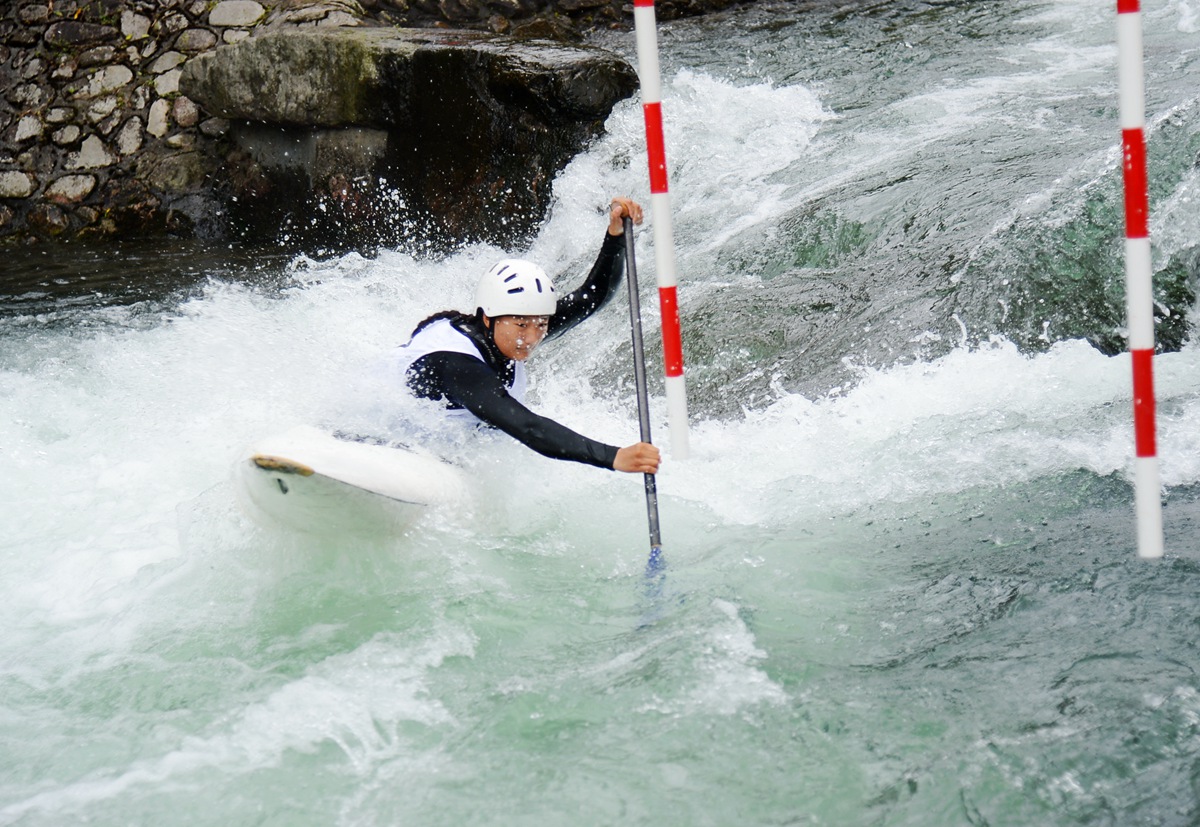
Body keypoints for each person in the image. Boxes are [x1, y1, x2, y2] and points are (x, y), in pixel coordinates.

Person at [391, 197, 661, 475]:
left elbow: (593, 297)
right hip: (389, 436)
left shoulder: (514, 327)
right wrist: (613, 456)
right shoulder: (457, 365)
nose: (532, 337)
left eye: (541, 324)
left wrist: (615, 236)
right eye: (522, 326)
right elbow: (527, 427)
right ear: (487, 317)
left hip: (452, 440)